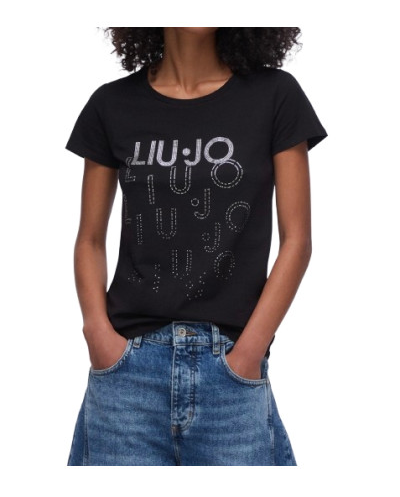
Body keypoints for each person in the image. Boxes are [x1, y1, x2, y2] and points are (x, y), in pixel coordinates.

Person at [65, 27, 328, 466]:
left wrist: (249, 353)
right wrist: (97, 334)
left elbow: (297, 241)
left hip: (230, 370)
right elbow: (90, 239)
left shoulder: (275, 95)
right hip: (127, 374)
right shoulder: (111, 104)